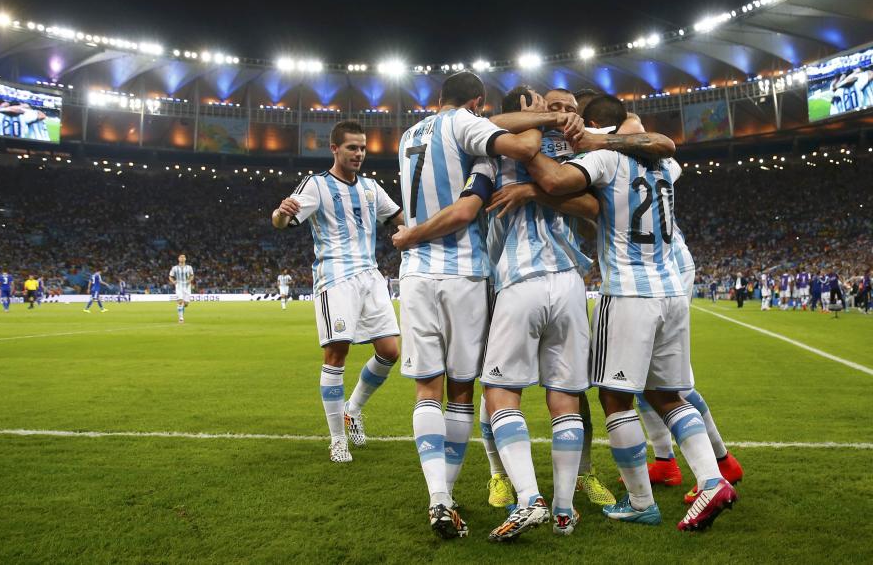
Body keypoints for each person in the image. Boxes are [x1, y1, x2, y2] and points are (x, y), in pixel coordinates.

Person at [526, 94, 737, 532]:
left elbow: (556, 183)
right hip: (671, 294)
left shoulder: (604, 160)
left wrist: (526, 157)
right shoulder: (662, 166)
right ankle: (713, 478)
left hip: (628, 293)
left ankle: (641, 500)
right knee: (667, 396)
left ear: (595, 124)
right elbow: (655, 146)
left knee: (614, 396)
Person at [391, 71, 582, 539]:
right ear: (476, 103)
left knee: (425, 391)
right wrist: (547, 116)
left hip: (415, 274)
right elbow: (514, 152)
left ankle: (441, 499)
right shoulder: (468, 130)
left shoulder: (408, 135)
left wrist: (411, 235)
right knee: (461, 391)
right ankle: (549, 504)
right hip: (463, 272)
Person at [272, 120, 402, 466]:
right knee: (336, 354)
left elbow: (400, 219)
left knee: (390, 351)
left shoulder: (372, 188)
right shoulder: (316, 186)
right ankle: (337, 440)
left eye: (363, 148)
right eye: (352, 148)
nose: (359, 154)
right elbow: (281, 221)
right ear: (335, 149)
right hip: (335, 278)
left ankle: (353, 409)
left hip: (371, 276)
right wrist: (281, 214)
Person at [634, 219, 745, 504]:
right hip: (659, 260)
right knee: (646, 378)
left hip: (662, 264)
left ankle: (719, 464)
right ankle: (668, 463)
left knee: (665, 381)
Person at [169, 255, 194, 323]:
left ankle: (183, 305)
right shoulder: (174, 268)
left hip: (187, 286)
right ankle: (181, 318)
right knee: (180, 301)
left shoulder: (189, 267)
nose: (182, 258)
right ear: (178, 259)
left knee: (186, 303)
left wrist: (190, 280)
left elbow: (192, 275)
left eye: (183, 257)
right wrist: (173, 282)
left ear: (185, 259)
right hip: (179, 285)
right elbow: (170, 276)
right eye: (181, 257)